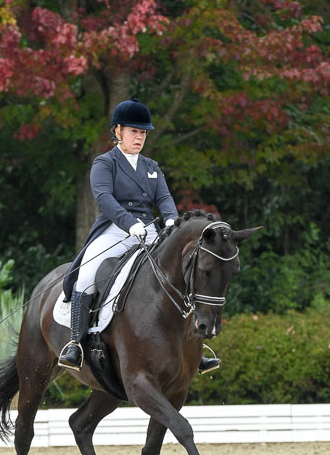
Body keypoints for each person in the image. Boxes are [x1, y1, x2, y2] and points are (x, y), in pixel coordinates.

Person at [58, 97, 220, 375]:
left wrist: (172, 219)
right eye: (134, 131)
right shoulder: (104, 163)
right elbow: (104, 197)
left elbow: (165, 197)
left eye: (143, 132)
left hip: (151, 231)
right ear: (118, 131)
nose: (139, 137)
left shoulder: (151, 166)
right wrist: (128, 222)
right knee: (86, 275)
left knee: (184, 274)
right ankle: (76, 343)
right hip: (115, 229)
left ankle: (194, 347)